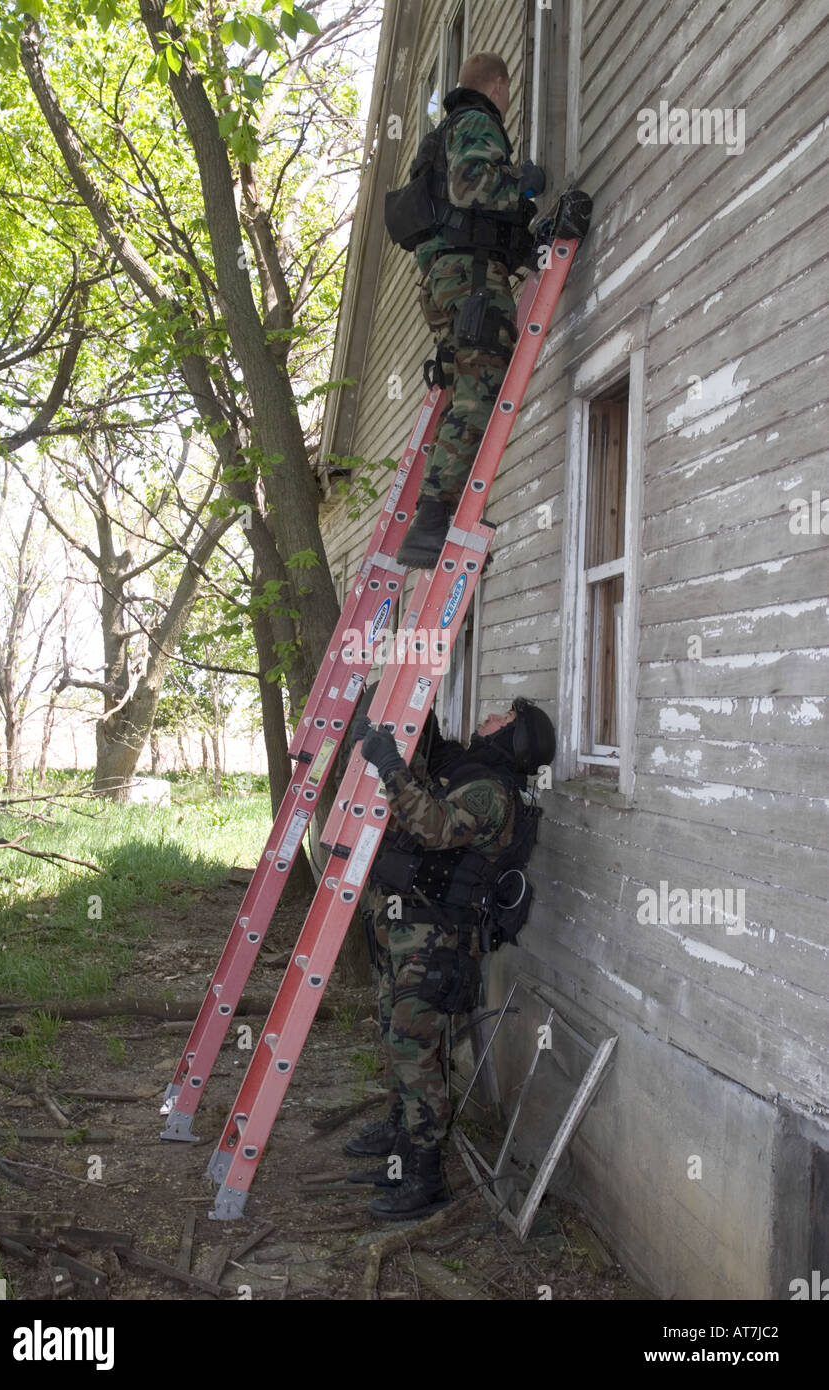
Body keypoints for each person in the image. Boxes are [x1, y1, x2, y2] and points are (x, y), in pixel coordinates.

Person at [343, 697, 556, 1220]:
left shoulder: (491, 792)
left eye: (502, 718)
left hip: (436, 940)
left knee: (415, 1051)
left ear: (514, 739)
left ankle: (426, 1176)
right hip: (411, 929)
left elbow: (432, 827)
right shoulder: (469, 770)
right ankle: (399, 1147)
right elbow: (432, 753)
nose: (489, 716)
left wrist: (389, 763)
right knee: (398, 1037)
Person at [395, 52, 545, 570]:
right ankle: (432, 521)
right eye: (509, 90)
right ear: (498, 85)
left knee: (462, 391)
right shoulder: (478, 120)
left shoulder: (441, 134)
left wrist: (523, 245)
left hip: (447, 282)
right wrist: (526, 184)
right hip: (472, 279)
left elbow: (460, 211)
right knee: (480, 395)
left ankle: (434, 517)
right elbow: (473, 186)